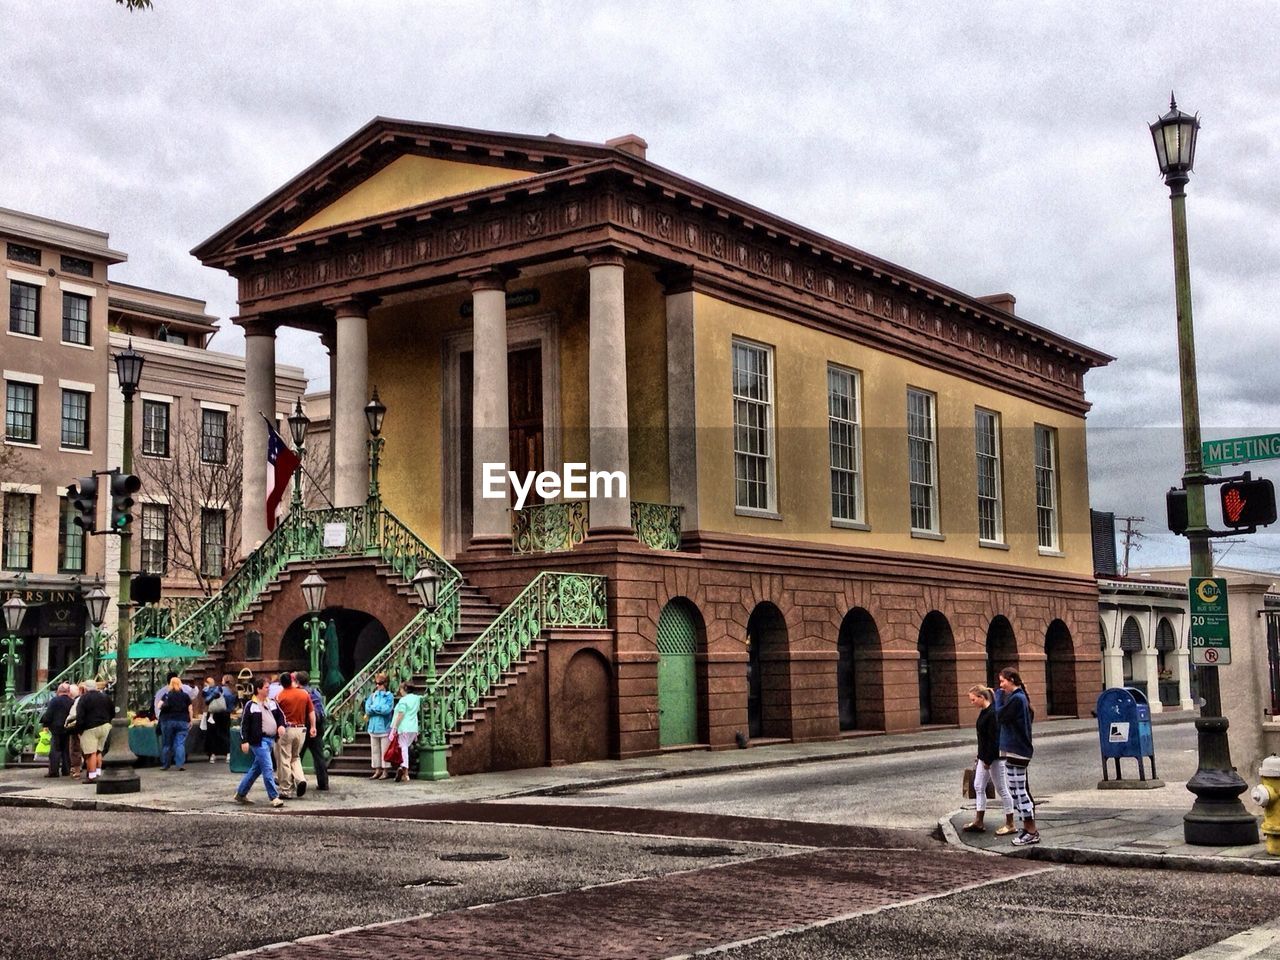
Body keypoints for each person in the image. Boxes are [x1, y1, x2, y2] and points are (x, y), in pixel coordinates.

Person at [962, 684, 1016, 835]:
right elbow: (984, 738)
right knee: (978, 786)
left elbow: (994, 740)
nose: (972, 703)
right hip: (984, 756)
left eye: (973, 700)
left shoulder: (993, 713)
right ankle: (979, 821)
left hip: (994, 758)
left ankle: (1010, 823)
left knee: (1002, 789)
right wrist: (980, 756)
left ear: (981, 697)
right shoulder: (985, 711)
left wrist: (987, 760)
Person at [996, 667, 1038, 846]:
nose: (1000, 685)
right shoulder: (1018, 698)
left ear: (1012, 680)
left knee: (1020, 792)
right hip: (1015, 749)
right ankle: (1027, 829)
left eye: (1002, 681)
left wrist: (998, 698)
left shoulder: (1017, 699)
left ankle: (1032, 831)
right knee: (1015, 790)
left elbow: (1000, 716)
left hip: (1018, 750)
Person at [234, 676, 286, 808]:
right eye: (266, 687)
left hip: (270, 740)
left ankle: (241, 793)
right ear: (258, 689)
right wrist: (244, 740)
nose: (269, 690)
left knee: (256, 769)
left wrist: (281, 725)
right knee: (268, 767)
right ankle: (274, 797)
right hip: (259, 741)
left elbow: (280, 716)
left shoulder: (272, 702)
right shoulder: (251, 705)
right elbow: (244, 725)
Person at [273, 672, 315, 798]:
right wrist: (313, 727)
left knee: (284, 759)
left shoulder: (280, 696)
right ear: (292, 681)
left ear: (282, 684)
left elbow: (275, 715)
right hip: (301, 729)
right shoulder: (304, 694)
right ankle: (300, 778)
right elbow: (311, 712)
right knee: (295, 757)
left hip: (286, 730)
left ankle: (286, 789)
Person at [295, 671, 329, 792]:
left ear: (297, 682)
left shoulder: (299, 693)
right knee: (319, 756)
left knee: (296, 756)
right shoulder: (316, 692)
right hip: (317, 727)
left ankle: (291, 780)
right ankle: (323, 783)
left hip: (303, 726)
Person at [75, 679, 114, 783]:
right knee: (99, 751)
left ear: (86, 688)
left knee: (90, 753)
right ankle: (98, 773)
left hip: (90, 727)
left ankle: (92, 776)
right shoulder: (105, 697)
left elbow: (80, 715)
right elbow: (112, 711)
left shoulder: (84, 698)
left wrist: (79, 730)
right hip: (105, 726)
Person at [157, 676, 195, 770]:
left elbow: (159, 706)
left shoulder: (166, 695)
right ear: (180, 684)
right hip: (182, 721)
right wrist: (191, 720)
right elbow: (190, 709)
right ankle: (180, 764)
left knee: (167, 744)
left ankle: (166, 764)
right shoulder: (185, 696)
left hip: (167, 721)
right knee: (180, 743)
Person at [387, 680, 421, 783]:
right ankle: (404, 769)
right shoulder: (416, 698)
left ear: (405, 689)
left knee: (403, 748)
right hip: (413, 727)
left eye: (401, 688)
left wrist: (394, 727)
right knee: (405, 747)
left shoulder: (403, 701)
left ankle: (404, 771)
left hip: (404, 727)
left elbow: (401, 714)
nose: (400, 691)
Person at [363, 673, 394, 780]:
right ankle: (377, 770)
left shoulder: (389, 696)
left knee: (384, 750)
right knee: (375, 750)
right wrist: (377, 709)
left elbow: (387, 710)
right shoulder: (373, 695)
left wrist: (374, 709)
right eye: (376, 683)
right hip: (373, 727)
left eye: (380, 683)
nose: (377, 685)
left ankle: (385, 771)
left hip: (384, 727)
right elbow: (367, 708)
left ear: (385, 684)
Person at [40, 683, 74, 778]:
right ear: (68, 692)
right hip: (68, 727)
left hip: (55, 728)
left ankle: (54, 771)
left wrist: (45, 724)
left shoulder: (54, 701)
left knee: (55, 749)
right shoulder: (72, 701)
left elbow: (48, 714)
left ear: (59, 691)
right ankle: (66, 770)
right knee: (66, 750)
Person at [203, 674, 236, 762]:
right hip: (226, 714)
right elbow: (233, 705)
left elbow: (207, 699)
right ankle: (228, 754)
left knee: (213, 734)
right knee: (225, 733)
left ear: (224, 681)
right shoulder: (233, 691)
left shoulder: (219, 689)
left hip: (215, 714)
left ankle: (213, 754)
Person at [66, 683, 84, 779]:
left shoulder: (77, 701)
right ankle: (93, 772)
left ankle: (77, 770)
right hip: (88, 726)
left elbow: (73, 715)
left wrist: (67, 722)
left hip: (77, 727)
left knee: (75, 748)